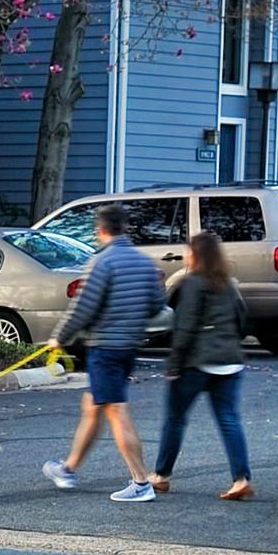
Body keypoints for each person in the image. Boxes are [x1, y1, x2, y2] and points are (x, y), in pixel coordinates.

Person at [42, 204, 166, 502]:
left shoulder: (102, 262)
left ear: (100, 231)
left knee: (116, 411)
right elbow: (156, 305)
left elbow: (83, 307)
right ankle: (68, 468)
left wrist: (60, 336)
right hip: (128, 347)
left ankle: (140, 482)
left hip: (105, 348)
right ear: (125, 227)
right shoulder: (144, 263)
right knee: (93, 406)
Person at [151, 230, 254, 500]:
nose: (185, 254)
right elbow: (244, 323)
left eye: (188, 250)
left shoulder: (192, 283)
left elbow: (185, 328)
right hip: (230, 362)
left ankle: (161, 475)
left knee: (175, 419)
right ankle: (241, 478)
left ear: (196, 255)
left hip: (197, 363)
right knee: (229, 420)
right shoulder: (228, 284)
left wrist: (174, 364)